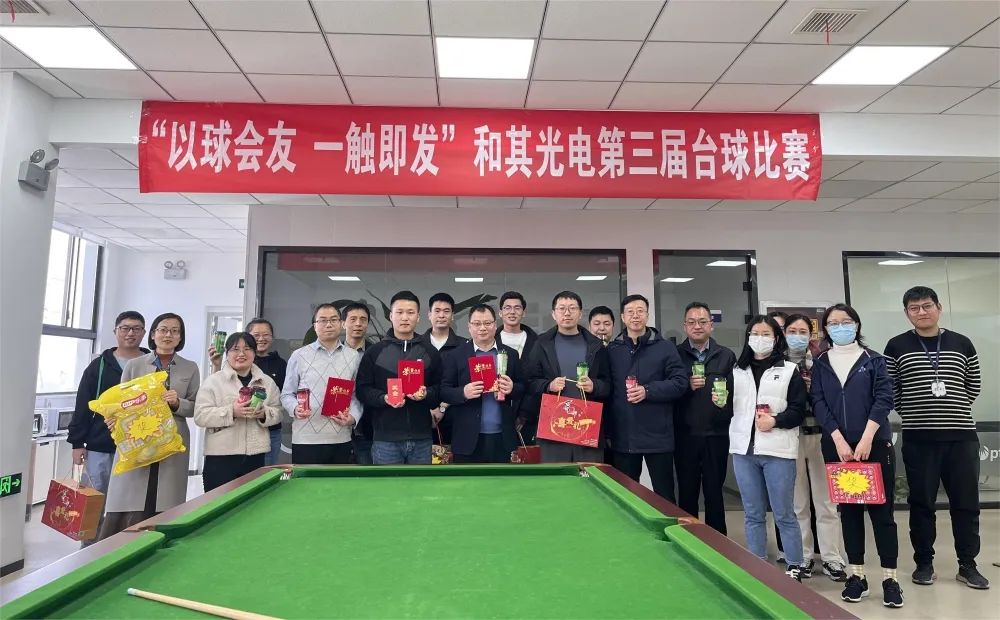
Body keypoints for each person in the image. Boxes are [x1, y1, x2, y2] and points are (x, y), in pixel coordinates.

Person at [884, 286, 989, 590]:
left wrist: (950, 409)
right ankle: (924, 563)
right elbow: (891, 389)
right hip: (919, 438)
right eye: (914, 308)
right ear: (907, 313)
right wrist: (914, 412)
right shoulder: (896, 346)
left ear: (939, 308)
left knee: (966, 503)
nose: (921, 312)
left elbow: (973, 385)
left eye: (927, 306)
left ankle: (967, 565)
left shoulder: (961, 343)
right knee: (921, 503)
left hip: (961, 437)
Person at [811, 304, 902, 607]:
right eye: (833, 323)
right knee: (849, 513)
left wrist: (866, 438)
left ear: (857, 325)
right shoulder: (821, 362)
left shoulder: (874, 359)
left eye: (846, 321)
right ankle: (857, 576)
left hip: (873, 445)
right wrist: (837, 439)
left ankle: (890, 579)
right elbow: (818, 401)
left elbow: (884, 398)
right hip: (839, 448)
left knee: (882, 514)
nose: (840, 327)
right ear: (826, 329)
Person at [98, 313, 200, 540]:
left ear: (180, 337)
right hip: (137, 438)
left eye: (175, 331)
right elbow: (121, 401)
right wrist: (113, 418)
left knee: (166, 497)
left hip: (172, 440)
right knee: (130, 496)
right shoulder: (135, 365)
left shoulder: (190, 368)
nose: (168, 335)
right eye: (163, 329)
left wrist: (177, 403)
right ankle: (121, 545)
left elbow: (195, 407)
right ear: (153, 334)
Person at [729, 315, 807, 580]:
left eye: (766, 334)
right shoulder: (737, 371)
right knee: (753, 513)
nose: (759, 339)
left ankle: (795, 565)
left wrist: (775, 420)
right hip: (744, 451)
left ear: (776, 339)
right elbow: (729, 409)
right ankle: (757, 564)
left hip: (778, 452)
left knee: (784, 513)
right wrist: (719, 403)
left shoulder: (788, 370)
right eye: (755, 333)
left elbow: (798, 411)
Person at [68, 310, 147, 546]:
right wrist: (77, 443)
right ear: (115, 331)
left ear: (144, 333)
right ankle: (88, 552)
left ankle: (120, 549)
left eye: (136, 329)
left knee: (128, 503)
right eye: (125, 328)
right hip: (100, 446)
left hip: (137, 447)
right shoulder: (99, 366)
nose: (130, 333)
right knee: (93, 502)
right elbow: (83, 404)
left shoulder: (150, 364)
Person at [606, 294, 688, 501]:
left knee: (664, 495)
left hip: (658, 436)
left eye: (640, 311)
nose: (635, 316)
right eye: (630, 312)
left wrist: (648, 391)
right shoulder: (613, 350)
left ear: (647, 315)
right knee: (625, 496)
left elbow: (680, 382)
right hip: (623, 435)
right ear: (622, 317)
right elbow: (607, 388)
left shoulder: (665, 347)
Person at [785, 313, 848, 582]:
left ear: (811, 335)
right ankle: (804, 556)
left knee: (827, 502)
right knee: (798, 503)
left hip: (822, 437)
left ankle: (832, 558)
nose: (798, 336)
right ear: (784, 334)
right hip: (791, 438)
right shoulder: (777, 364)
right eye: (792, 331)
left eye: (803, 331)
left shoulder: (823, 362)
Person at [356, 291, 442, 465]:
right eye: (399, 312)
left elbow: (440, 389)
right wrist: (384, 398)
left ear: (418, 317)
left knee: (422, 483)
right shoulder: (375, 352)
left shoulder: (430, 352)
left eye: (410, 313)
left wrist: (426, 394)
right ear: (390, 316)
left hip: (422, 438)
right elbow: (362, 390)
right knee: (388, 483)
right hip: (385, 440)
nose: (405, 318)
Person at [524, 291, 611, 463]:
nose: (567, 313)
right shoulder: (541, 344)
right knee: (554, 476)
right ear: (553, 314)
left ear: (580, 313)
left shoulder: (595, 345)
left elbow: (608, 384)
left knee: (588, 474)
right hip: (553, 426)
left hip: (587, 424)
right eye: (562, 308)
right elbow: (529, 382)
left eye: (572, 308)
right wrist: (549, 386)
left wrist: (594, 386)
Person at [675, 301, 736, 535]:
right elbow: (668, 391)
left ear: (712, 325)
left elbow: (736, 395)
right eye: (691, 322)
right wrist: (686, 386)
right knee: (686, 492)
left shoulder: (726, 356)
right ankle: (687, 538)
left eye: (702, 321)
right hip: (685, 434)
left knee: (714, 492)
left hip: (716, 434)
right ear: (684, 326)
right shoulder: (675, 355)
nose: (697, 326)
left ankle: (717, 540)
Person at [194, 333, 282, 492]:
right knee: (218, 501)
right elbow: (200, 416)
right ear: (227, 353)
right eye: (235, 349)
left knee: (254, 502)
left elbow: (278, 412)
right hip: (221, 456)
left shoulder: (267, 382)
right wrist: (232, 412)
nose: (241, 354)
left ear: (254, 353)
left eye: (247, 349)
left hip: (255, 456)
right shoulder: (213, 381)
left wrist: (263, 413)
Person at [280, 304, 361, 465]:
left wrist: (352, 417)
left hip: (340, 437)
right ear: (314, 326)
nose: (328, 324)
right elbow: (287, 394)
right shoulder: (299, 355)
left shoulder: (353, 356)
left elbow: (357, 395)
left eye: (333, 320)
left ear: (341, 323)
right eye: (322, 320)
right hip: (305, 439)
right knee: (306, 481)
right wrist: (295, 408)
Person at [441, 304, 523, 463]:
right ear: (469, 327)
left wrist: (512, 388)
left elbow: (523, 387)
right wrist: (463, 392)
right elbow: (444, 391)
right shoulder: (456, 355)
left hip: (503, 437)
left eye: (487, 323)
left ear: (495, 325)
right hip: (467, 438)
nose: (482, 328)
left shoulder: (510, 354)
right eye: (477, 323)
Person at [241, 318, 287, 466]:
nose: (261, 339)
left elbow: (285, 397)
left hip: (270, 431)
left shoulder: (281, 364)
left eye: (266, 334)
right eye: (256, 335)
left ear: (272, 337)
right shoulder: (240, 362)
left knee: (267, 472)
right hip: (242, 428)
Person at [496, 291, 539, 443]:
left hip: (529, 416)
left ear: (524, 312)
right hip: (497, 414)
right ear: (500, 313)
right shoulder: (490, 341)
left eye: (517, 308)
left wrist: (525, 414)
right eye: (507, 308)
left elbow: (538, 381)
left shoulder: (538, 343)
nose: (512, 312)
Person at [424, 292, 464, 444]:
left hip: (456, 415)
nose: (441, 315)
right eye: (437, 311)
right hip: (422, 416)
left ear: (452, 316)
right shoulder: (418, 344)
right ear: (429, 315)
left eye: (446, 311)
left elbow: (465, 381)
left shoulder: (464, 346)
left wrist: (442, 407)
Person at [342, 302, 375, 464]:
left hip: (367, 427)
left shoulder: (376, 352)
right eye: (353, 319)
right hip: (336, 424)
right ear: (343, 323)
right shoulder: (333, 352)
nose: (358, 324)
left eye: (363, 320)